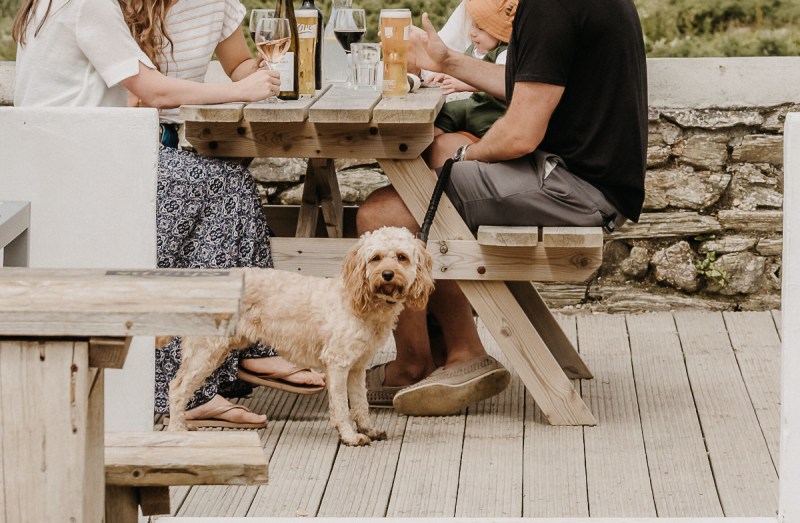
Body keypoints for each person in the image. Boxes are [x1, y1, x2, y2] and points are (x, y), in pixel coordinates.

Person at [12, 0, 321, 429]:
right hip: (84, 164)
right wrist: (240, 91)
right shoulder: (90, 4)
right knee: (223, 187)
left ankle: (242, 350)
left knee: (227, 185)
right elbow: (150, 92)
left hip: (67, 157)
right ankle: (195, 380)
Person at [360, 0, 648, 416]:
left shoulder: (550, 8)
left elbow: (518, 136)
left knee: (383, 212)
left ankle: (443, 357)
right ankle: (435, 352)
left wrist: (460, 159)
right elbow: (533, 82)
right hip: (583, 178)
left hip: (573, 189)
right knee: (421, 178)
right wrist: (448, 61)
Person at [430, 0, 513, 142]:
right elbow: (459, 66)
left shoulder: (504, 53)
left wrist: (464, 83)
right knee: (444, 112)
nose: (473, 33)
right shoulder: (474, 50)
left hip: (492, 112)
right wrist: (446, 72)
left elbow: (503, 81)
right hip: (474, 105)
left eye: (480, 29)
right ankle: (427, 142)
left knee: (484, 125)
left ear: (498, 34)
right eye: (473, 26)